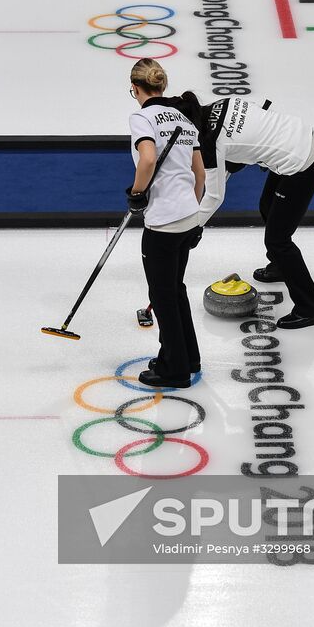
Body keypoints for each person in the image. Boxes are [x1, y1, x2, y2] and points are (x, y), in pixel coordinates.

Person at [178, 93, 314, 330]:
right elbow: (254, 119)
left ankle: (311, 308)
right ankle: (279, 267)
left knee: (278, 239)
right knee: (267, 206)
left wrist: (194, 226)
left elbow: (215, 196)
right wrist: (233, 162)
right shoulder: (221, 104)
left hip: (301, 163)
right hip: (298, 138)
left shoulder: (209, 142)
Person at [127, 58, 205, 388]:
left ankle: (174, 369)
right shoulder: (185, 119)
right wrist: (194, 209)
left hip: (163, 221)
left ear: (136, 89)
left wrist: (136, 193)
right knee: (176, 289)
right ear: (163, 85)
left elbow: (147, 158)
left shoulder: (142, 117)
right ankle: (188, 355)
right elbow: (199, 173)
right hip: (189, 214)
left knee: (161, 296)